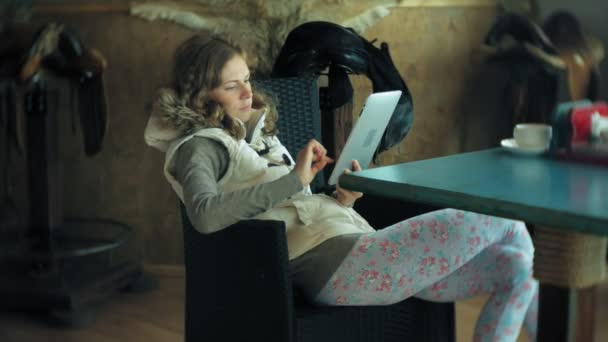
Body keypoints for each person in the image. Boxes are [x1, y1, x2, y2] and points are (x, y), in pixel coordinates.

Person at [144, 34, 539, 342]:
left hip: (354, 246)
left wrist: (337, 199)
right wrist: (293, 180)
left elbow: (290, 210)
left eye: (247, 80)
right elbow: (206, 215)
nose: (248, 93)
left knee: (517, 267)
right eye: (232, 86)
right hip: (332, 265)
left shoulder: (253, 134)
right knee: (503, 218)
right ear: (200, 96)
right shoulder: (198, 146)